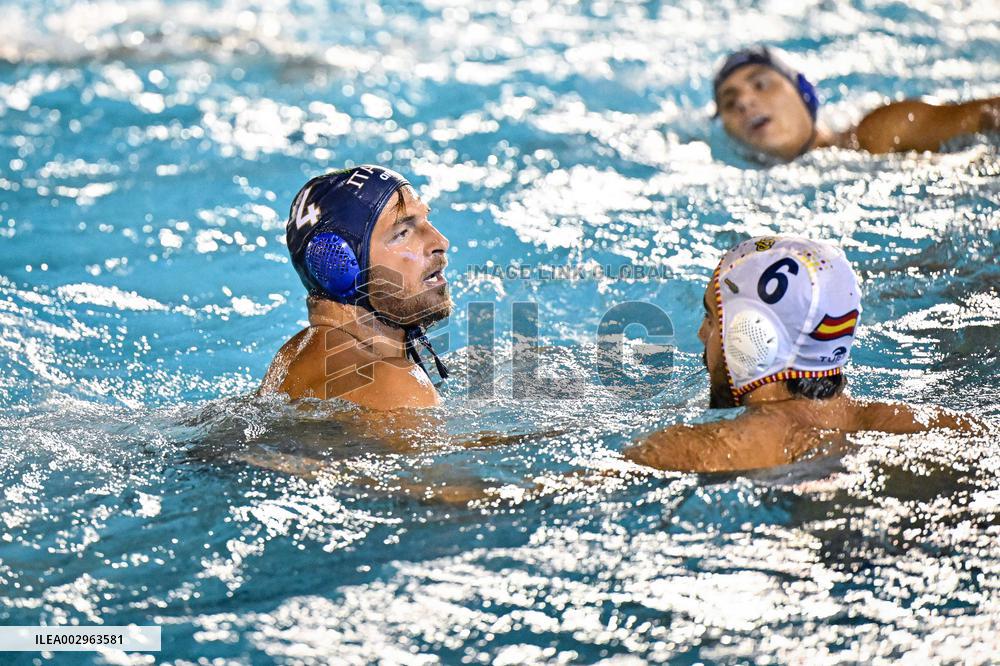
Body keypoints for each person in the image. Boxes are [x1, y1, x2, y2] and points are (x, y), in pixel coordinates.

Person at [624, 236, 980, 472]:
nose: (702, 334)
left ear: (751, 335)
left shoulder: (697, 450)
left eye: (712, 318)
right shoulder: (937, 426)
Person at [259, 165, 452, 410]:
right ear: (339, 265)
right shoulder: (395, 385)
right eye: (402, 233)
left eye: (426, 220)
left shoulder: (291, 358)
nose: (440, 242)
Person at [713, 45, 1000, 162]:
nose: (744, 102)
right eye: (729, 101)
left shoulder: (883, 133)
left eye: (760, 84)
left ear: (805, 91)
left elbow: (987, 116)